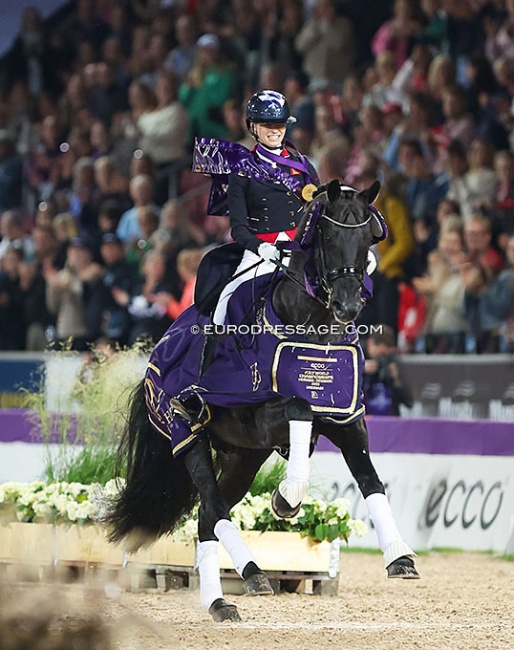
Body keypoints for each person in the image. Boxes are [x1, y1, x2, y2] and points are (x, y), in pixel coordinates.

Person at [207, 90, 320, 325]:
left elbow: (319, 212)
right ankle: (213, 352)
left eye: (280, 124)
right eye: (267, 124)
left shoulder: (302, 164)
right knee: (227, 297)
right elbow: (238, 228)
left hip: (299, 250)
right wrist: (261, 248)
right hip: (261, 251)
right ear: (253, 127)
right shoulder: (241, 170)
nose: (275, 130)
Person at [363, 325, 413, 416]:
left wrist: (396, 380)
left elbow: (409, 402)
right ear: (370, 344)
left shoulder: (393, 362)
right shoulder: (357, 359)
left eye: (384, 354)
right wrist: (359, 370)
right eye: (379, 354)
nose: (381, 359)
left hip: (389, 420)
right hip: (365, 419)